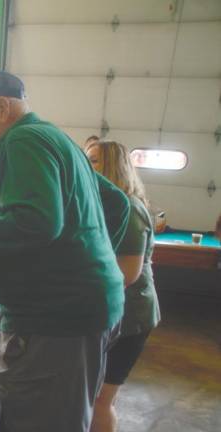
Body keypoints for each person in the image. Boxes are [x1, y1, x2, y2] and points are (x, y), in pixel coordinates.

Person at [0, 71, 130, 432]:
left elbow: (36, 220)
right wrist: (89, 263)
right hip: (80, 312)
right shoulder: (55, 138)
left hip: (55, 321)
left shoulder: (22, 140)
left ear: (2, 107)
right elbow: (118, 204)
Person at [85, 140, 161, 432]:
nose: (85, 166)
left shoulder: (129, 209)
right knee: (92, 397)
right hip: (106, 315)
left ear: (112, 167)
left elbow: (126, 274)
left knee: (101, 401)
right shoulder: (101, 206)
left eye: (93, 160)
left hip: (130, 317)